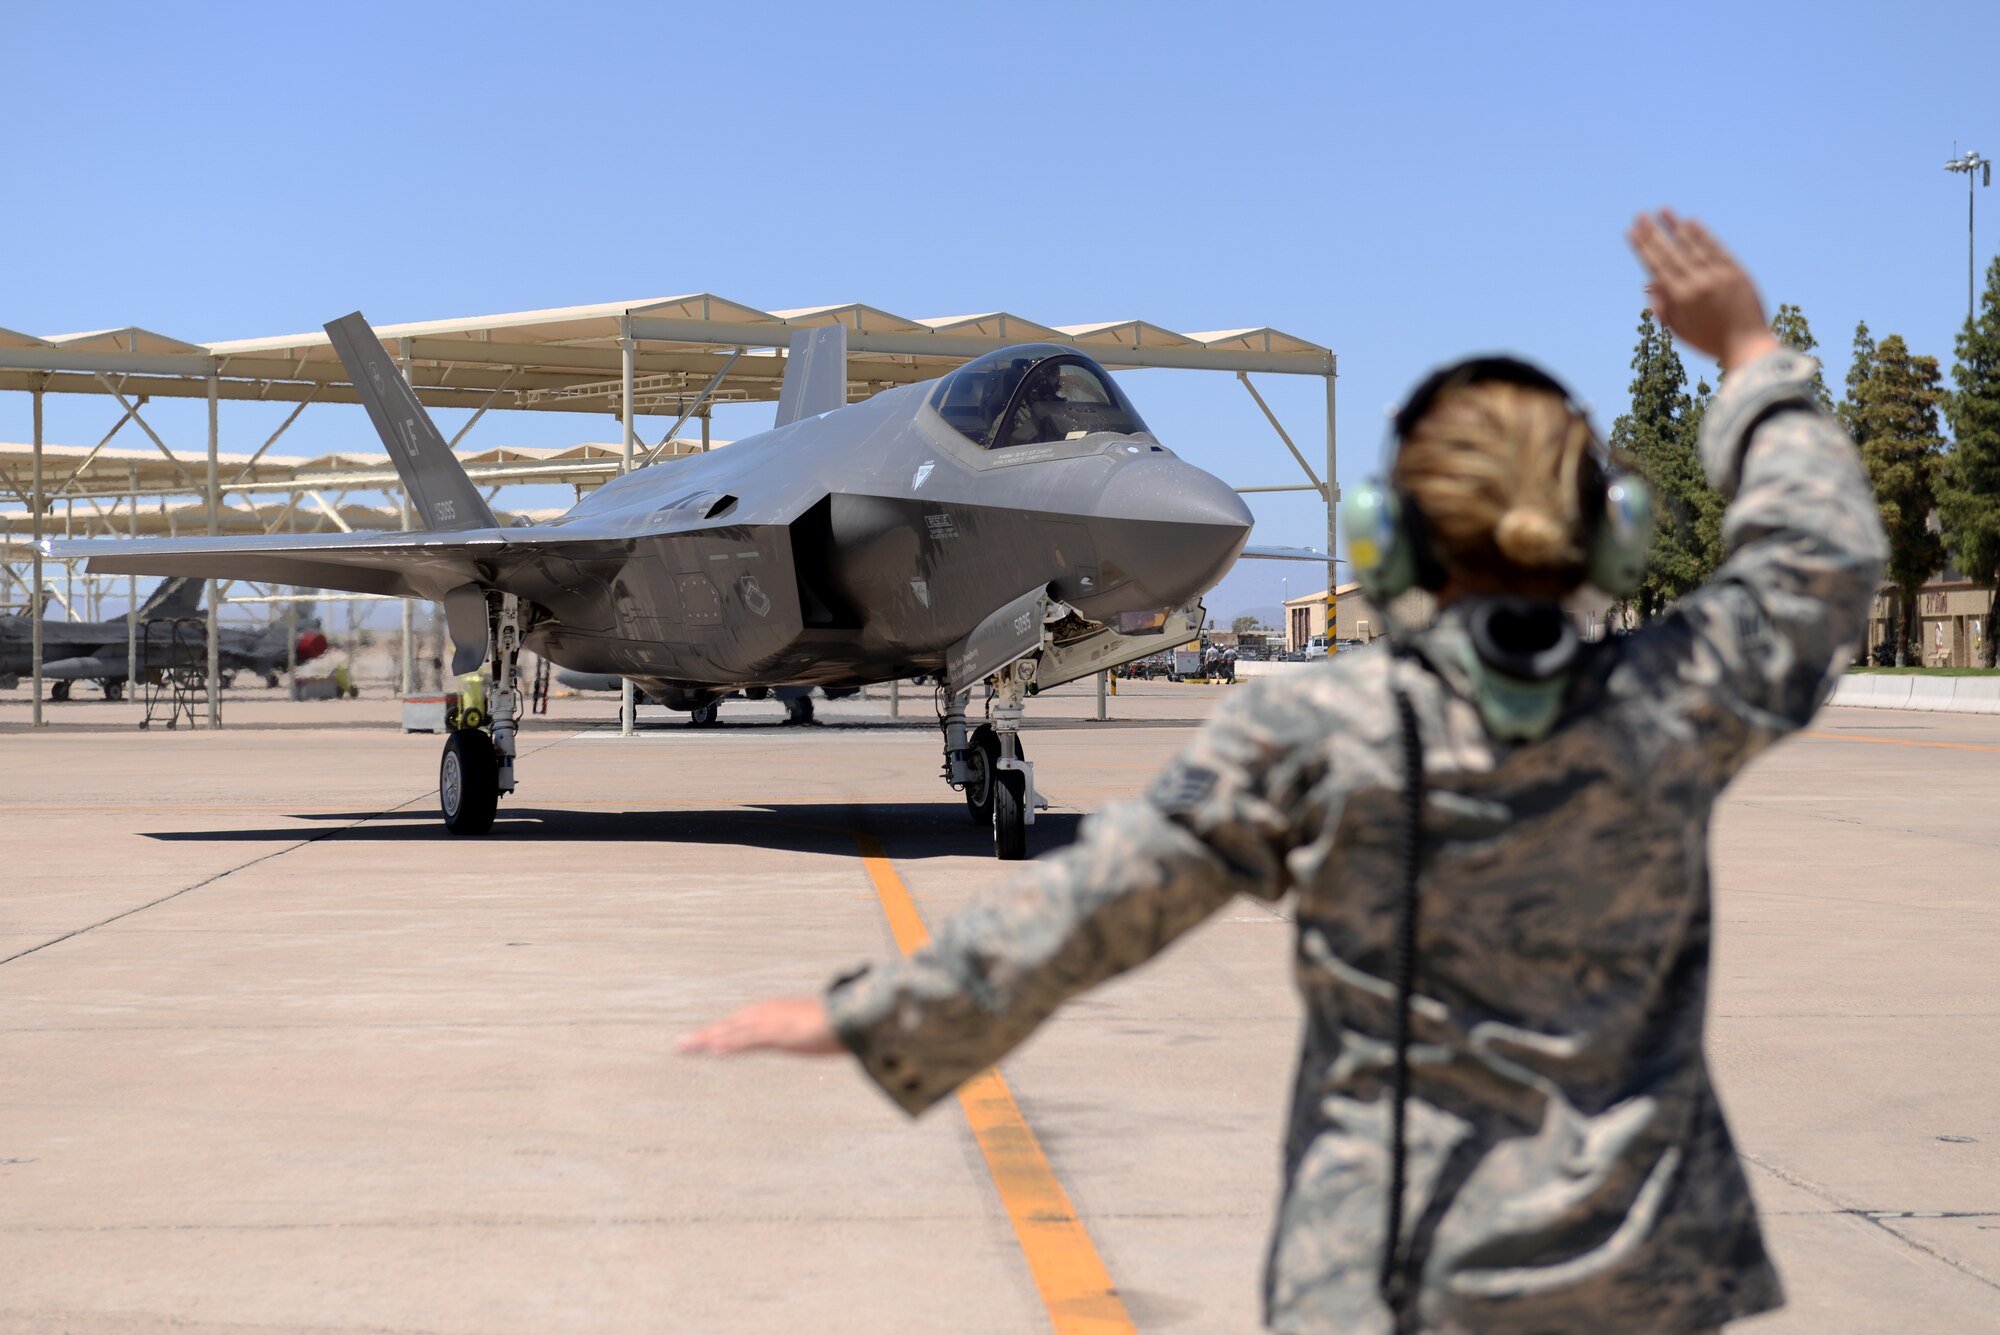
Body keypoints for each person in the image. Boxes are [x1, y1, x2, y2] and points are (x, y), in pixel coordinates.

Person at [680, 211, 1887, 1334]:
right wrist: (1747, 353)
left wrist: (870, 1017)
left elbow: (1085, 916)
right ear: (1609, 537)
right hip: (1640, 1273)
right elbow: (1815, 561)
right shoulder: (1679, 702)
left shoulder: (1311, 734)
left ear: (1385, 540)